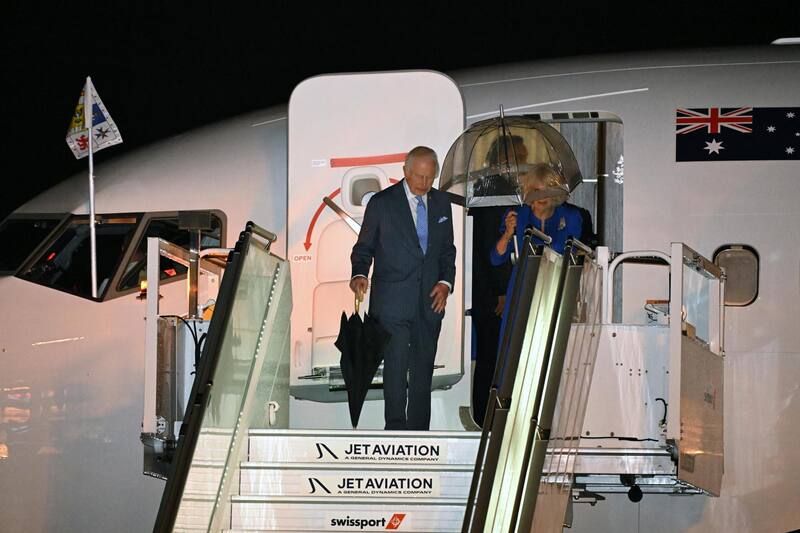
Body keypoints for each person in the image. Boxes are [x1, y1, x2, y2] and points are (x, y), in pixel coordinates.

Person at [350, 146, 456, 430]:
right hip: (392, 303)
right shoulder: (382, 204)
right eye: (419, 176)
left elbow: (448, 251)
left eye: (430, 177)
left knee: (423, 370)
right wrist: (359, 274)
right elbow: (364, 248)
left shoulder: (442, 203)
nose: (424, 183)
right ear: (405, 172)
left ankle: (420, 432)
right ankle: (395, 431)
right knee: (395, 369)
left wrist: (446, 284)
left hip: (430, 301)